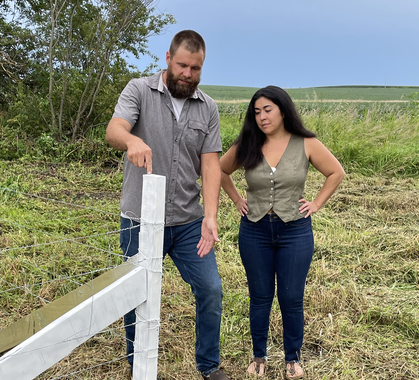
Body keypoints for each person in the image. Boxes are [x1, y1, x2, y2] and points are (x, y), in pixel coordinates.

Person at [105, 30, 230, 380]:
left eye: (196, 68)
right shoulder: (139, 90)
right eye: (182, 65)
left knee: (211, 289)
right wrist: (131, 140)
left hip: (190, 220)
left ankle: (209, 366)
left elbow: (210, 164)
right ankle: (137, 365)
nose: (188, 74)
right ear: (167, 58)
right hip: (141, 219)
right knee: (137, 295)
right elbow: (114, 129)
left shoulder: (208, 107)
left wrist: (210, 216)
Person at [219, 86, 345, 379]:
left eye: (268, 110)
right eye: (257, 112)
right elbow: (220, 169)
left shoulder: (306, 143)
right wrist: (238, 199)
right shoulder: (248, 143)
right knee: (260, 296)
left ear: (283, 110)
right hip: (255, 230)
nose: (262, 117)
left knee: (291, 297)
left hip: (295, 231)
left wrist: (316, 203)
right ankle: (258, 356)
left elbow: (336, 172)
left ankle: (292, 358)